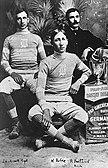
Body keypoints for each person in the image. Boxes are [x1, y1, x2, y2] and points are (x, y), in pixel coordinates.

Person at [28, 29, 91, 152]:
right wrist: (45, 110)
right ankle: (67, 141)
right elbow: (39, 89)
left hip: (65, 101)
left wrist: (78, 83)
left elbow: (88, 71)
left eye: (63, 39)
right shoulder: (46, 62)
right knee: (32, 113)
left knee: (83, 116)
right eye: (57, 40)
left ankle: (48, 140)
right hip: (48, 101)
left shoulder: (73, 58)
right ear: (52, 43)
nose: (61, 43)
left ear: (67, 41)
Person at [0, 8, 46, 139]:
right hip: (16, 75)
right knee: (2, 87)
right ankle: (16, 124)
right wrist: (12, 73)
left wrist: (39, 72)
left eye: (24, 18)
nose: (22, 21)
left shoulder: (36, 38)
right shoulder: (9, 39)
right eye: (19, 18)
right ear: (16, 21)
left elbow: (44, 60)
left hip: (33, 74)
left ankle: (37, 124)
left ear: (28, 19)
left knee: (39, 89)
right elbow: (4, 61)